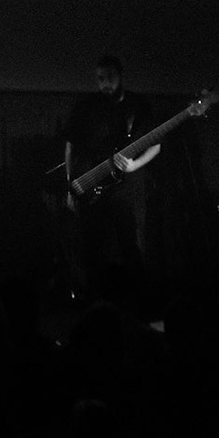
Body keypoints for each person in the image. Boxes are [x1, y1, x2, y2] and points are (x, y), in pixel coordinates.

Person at [61, 55, 161, 302]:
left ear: (121, 75)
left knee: (132, 246)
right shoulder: (85, 106)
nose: (105, 84)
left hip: (126, 189)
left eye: (110, 78)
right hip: (90, 187)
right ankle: (93, 304)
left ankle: (139, 303)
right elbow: (70, 148)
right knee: (91, 249)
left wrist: (134, 164)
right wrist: (70, 186)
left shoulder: (138, 105)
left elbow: (155, 145)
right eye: (100, 79)